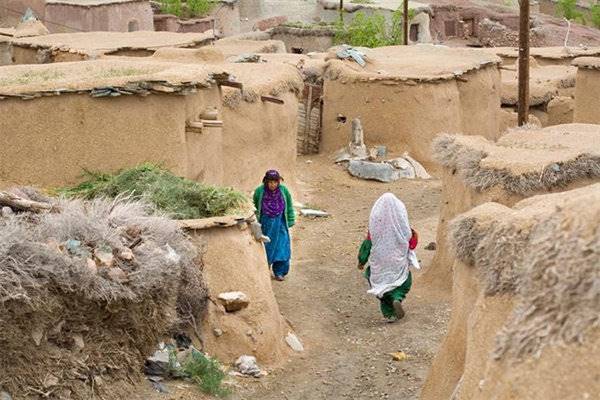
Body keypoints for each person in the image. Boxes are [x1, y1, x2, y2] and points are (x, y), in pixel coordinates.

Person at [357, 193, 420, 322]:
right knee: (403, 281)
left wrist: (361, 260)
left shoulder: (375, 230)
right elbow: (412, 244)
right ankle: (397, 297)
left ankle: (389, 313)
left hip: (380, 263)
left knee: (379, 285)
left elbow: (367, 245)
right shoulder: (404, 229)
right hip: (397, 262)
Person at [253, 170, 296, 281]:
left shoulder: (284, 191)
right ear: (266, 182)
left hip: (280, 223)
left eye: (275, 182)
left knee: (282, 247)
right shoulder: (259, 191)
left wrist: (291, 219)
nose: (273, 185)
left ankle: (279, 272)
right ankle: (264, 270)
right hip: (266, 225)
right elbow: (255, 208)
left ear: (278, 182)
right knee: (267, 248)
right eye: (270, 182)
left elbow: (289, 205)